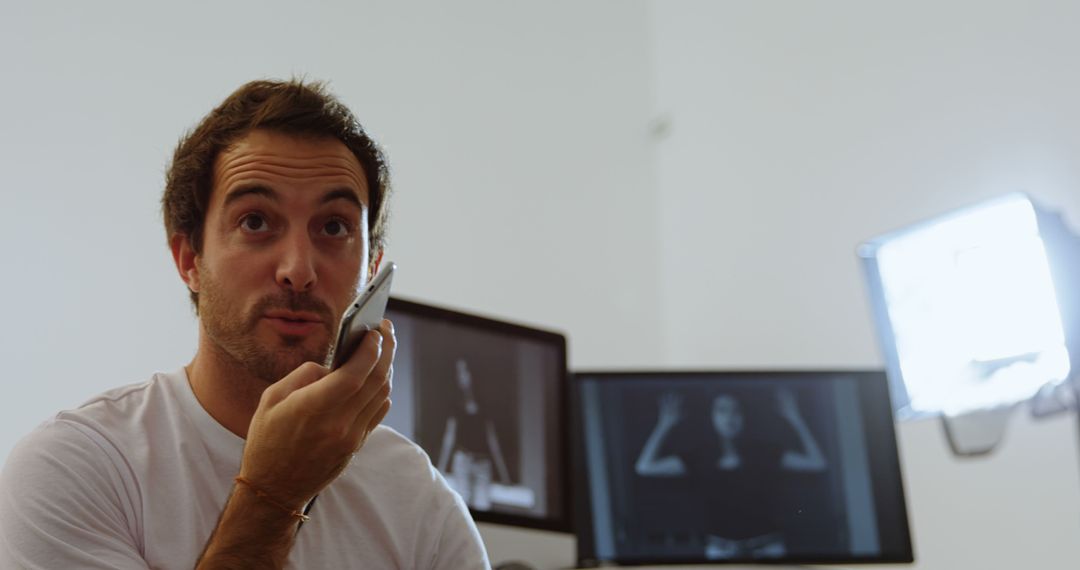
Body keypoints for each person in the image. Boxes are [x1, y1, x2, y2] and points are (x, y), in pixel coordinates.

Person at [0, 79, 489, 569]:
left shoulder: (421, 501)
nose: (298, 269)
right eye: (255, 221)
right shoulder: (76, 469)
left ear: (372, 269)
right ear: (190, 258)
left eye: (335, 226)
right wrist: (273, 495)